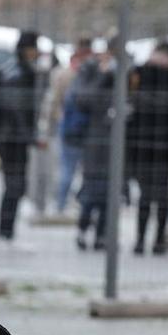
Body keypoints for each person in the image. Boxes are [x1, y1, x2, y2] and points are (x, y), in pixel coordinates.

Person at [0, 30, 42, 246]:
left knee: (14, 185)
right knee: (15, 185)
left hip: (8, 135)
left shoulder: (9, 68)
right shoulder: (18, 72)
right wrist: (29, 135)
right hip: (12, 137)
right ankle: (6, 233)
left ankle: (6, 232)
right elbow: (15, 107)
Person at [126, 42, 168, 255]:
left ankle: (153, 239)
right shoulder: (144, 74)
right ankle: (147, 239)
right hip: (151, 145)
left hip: (158, 146)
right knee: (152, 195)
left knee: (156, 195)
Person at [73, 38, 118, 251]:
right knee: (92, 188)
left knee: (110, 192)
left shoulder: (122, 71)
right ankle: (83, 228)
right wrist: (102, 75)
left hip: (114, 140)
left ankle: (102, 233)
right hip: (94, 138)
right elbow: (83, 99)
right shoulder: (91, 70)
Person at [44, 37, 92, 214]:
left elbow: (54, 101)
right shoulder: (94, 73)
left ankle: (61, 205)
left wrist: (52, 122)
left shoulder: (63, 74)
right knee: (86, 171)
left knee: (66, 169)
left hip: (67, 127)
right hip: (88, 129)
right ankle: (78, 203)